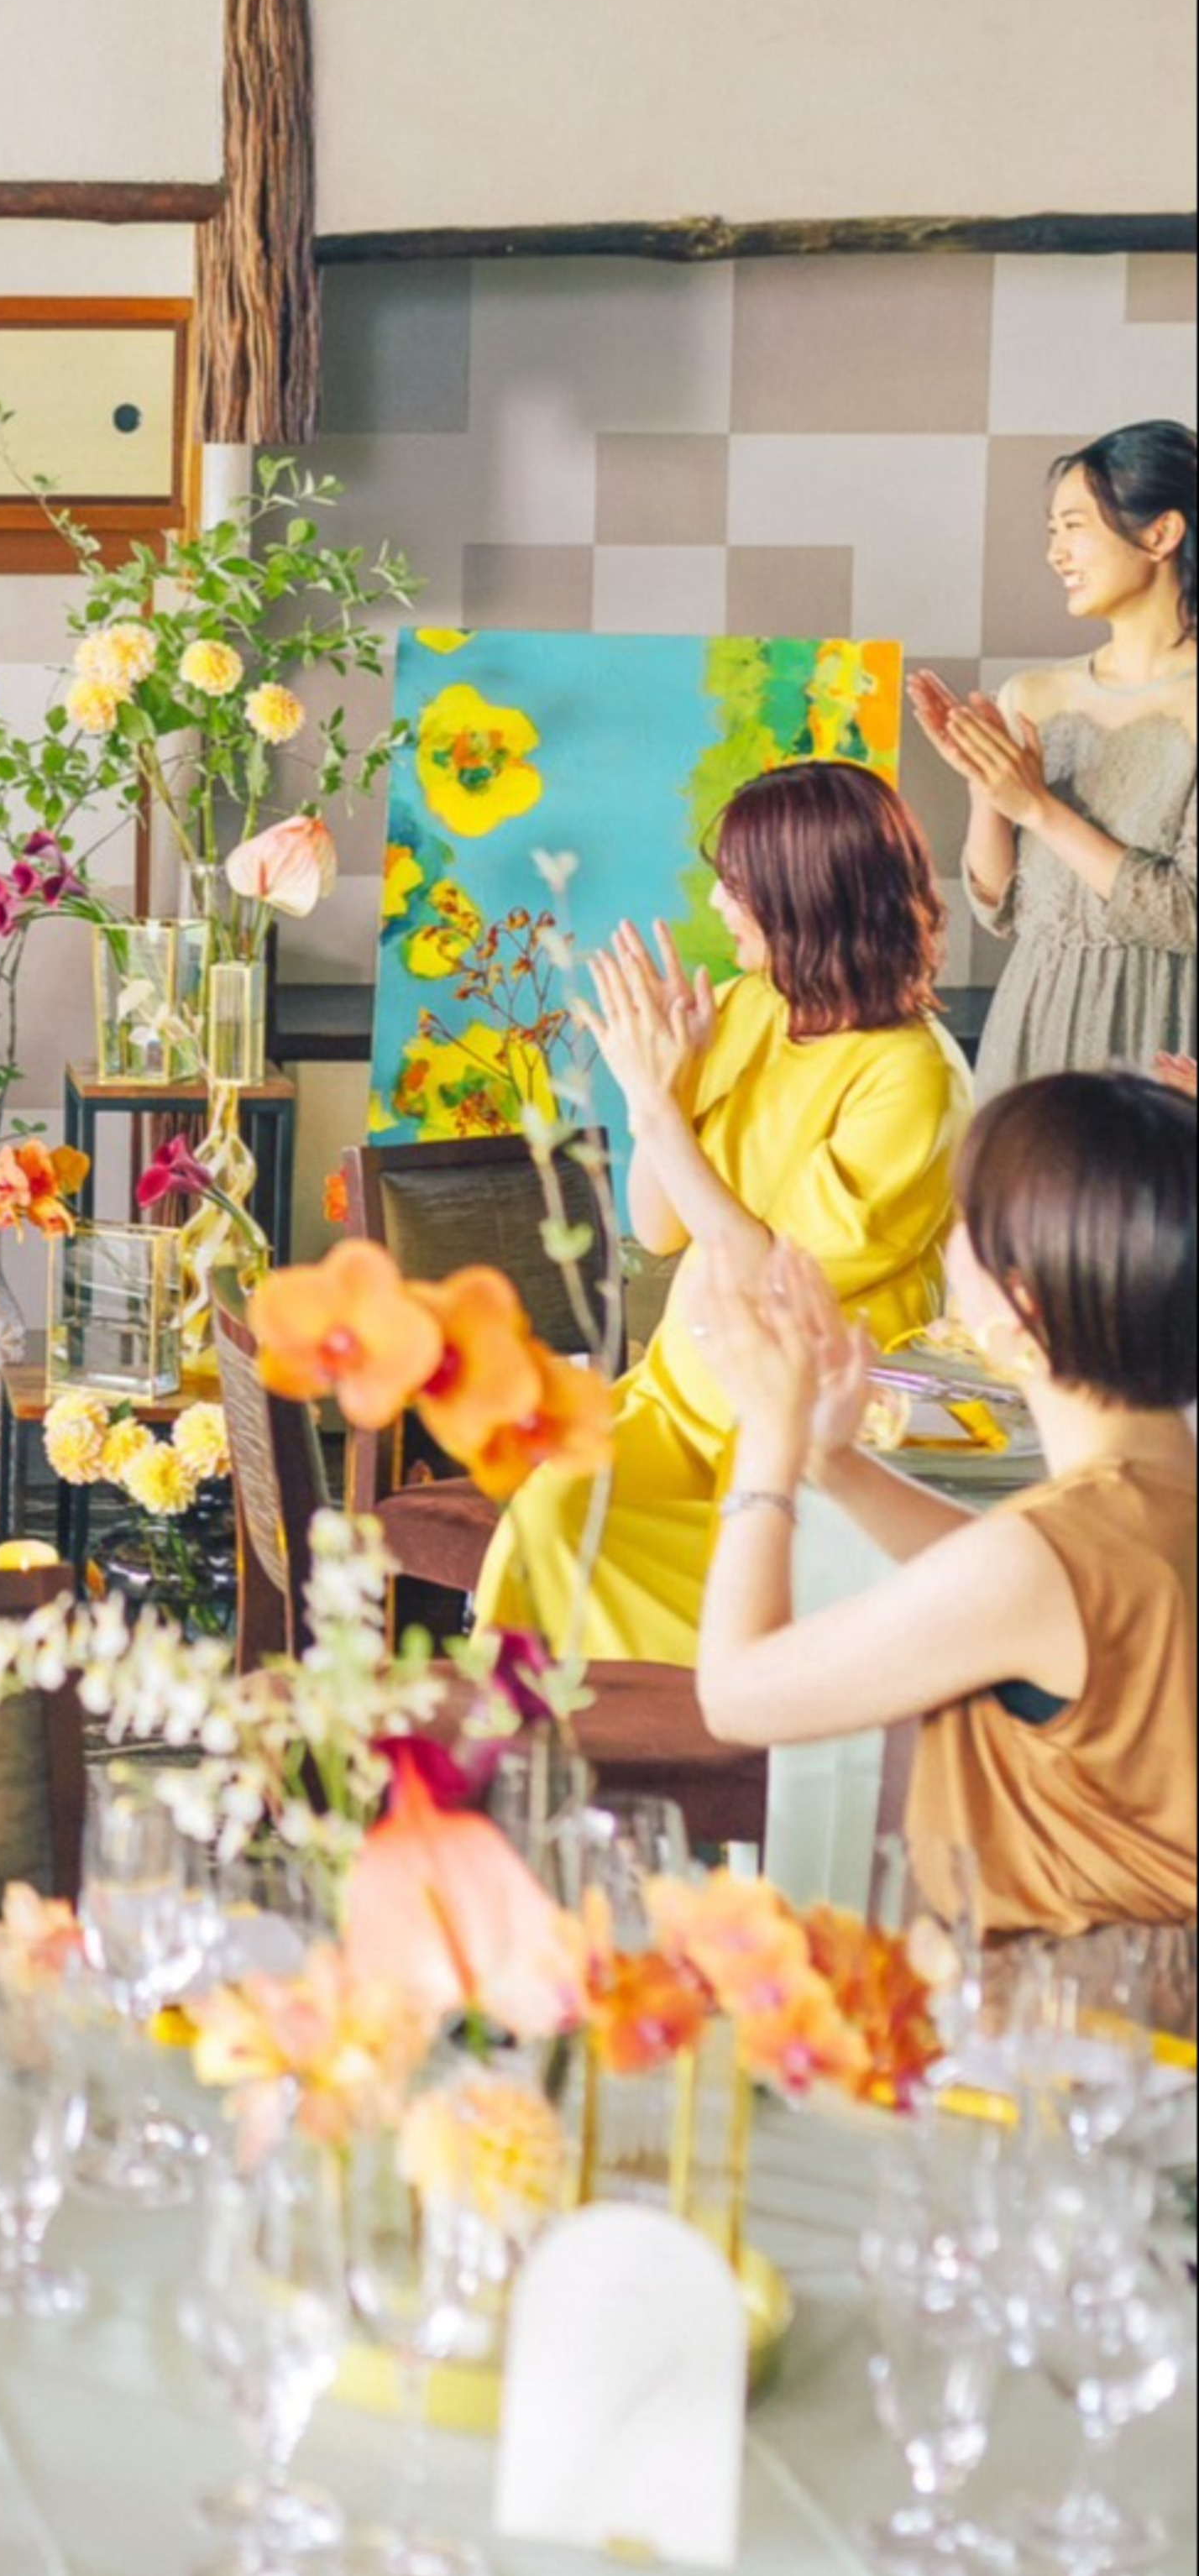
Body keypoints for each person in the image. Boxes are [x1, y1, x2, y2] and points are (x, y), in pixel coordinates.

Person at [693, 1072, 1195, 2020]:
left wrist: (766, 1441)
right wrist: (835, 1461)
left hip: (1064, 2028)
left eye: (968, 1220)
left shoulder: (1045, 1560)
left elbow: (734, 1693)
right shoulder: (1149, 1497)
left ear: (1020, 1305)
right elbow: (1020, 1595)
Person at [474, 758, 971, 1665]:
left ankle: (719, 1721)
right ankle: (541, 1738)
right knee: (548, 1517)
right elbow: (658, 1228)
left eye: (737, 885)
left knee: (626, 1568)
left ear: (805, 896)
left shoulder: (914, 1078)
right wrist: (657, 1094)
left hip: (808, 1431)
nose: (717, 901)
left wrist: (658, 1109)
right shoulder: (747, 1007)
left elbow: (775, 1276)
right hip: (680, 1397)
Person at [912, 420, 1195, 1097]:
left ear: (1160, 533)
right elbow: (1000, 909)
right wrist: (986, 786)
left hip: (1160, 1031)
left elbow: (1185, 913)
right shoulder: (1033, 694)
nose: (1054, 552)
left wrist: (1036, 807)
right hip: (1032, 1021)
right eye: (1050, 531)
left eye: (1073, 527)